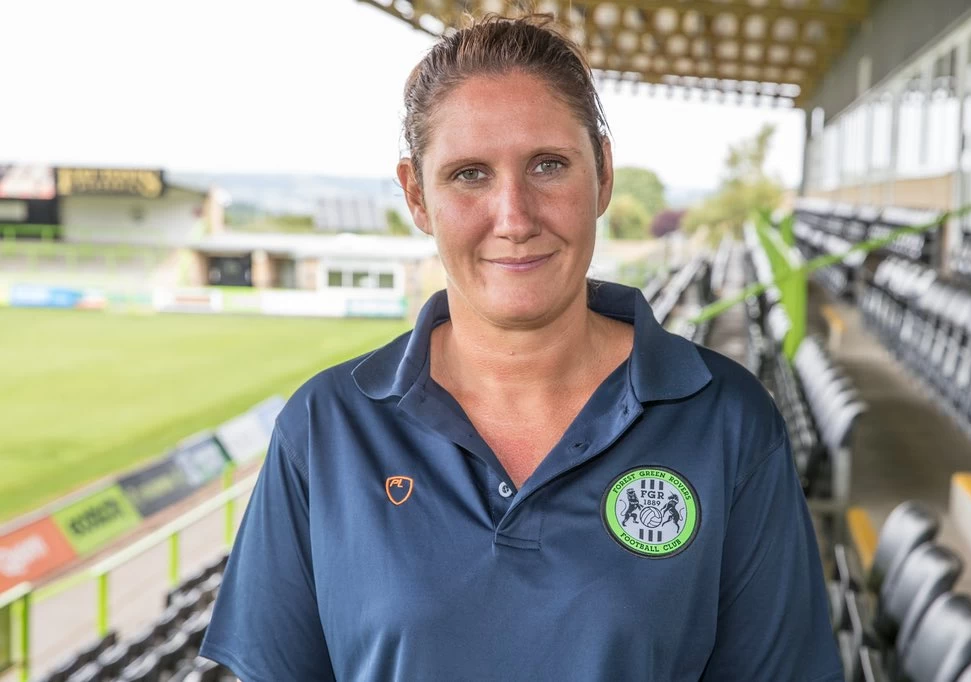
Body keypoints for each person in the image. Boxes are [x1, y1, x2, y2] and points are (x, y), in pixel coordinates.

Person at [199, 14, 842, 681]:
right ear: (417, 195)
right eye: (469, 174)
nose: (514, 218)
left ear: (603, 174)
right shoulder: (325, 428)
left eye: (548, 165)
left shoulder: (726, 420)